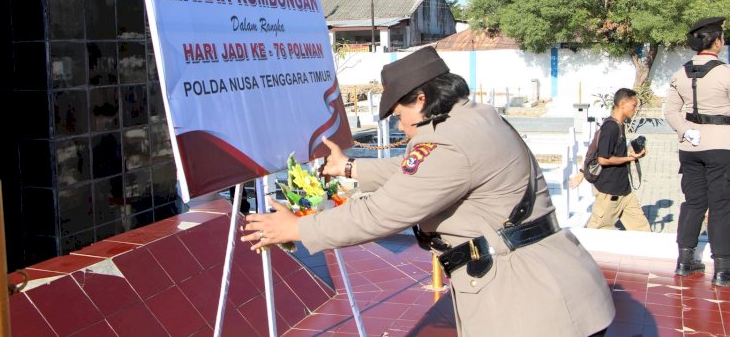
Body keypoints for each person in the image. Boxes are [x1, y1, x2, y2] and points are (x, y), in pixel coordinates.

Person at [241, 47, 614, 336]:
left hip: (531, 304)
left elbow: (382, 213)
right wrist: (351, 168)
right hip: (553, 286)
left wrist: (299, 230)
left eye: (398, 113)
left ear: (420, 99)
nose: (400, 124)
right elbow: (422, 174)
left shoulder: (448, 142)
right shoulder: (474, 118)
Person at [664, 16, 730, 286]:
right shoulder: (726, 72)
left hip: (690, 147)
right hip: (721, 146)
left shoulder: (680, 73)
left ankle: (685, 261)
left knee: (693, 203)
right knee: (721, 206)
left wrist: (685, 130)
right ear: (717, 41)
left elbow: (669, 111)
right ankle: (724, 269)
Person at [583, 88, 650, 232]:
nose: (635, 108)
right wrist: (630, 158)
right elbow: (603, 159)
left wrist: (632, 151)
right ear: (623, 104)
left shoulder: (620, 125)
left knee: (643, 232)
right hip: (609, 192)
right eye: (634, 105)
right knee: (594, 233)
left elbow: (615, 151)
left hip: (625, 192)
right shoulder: (610, 127)